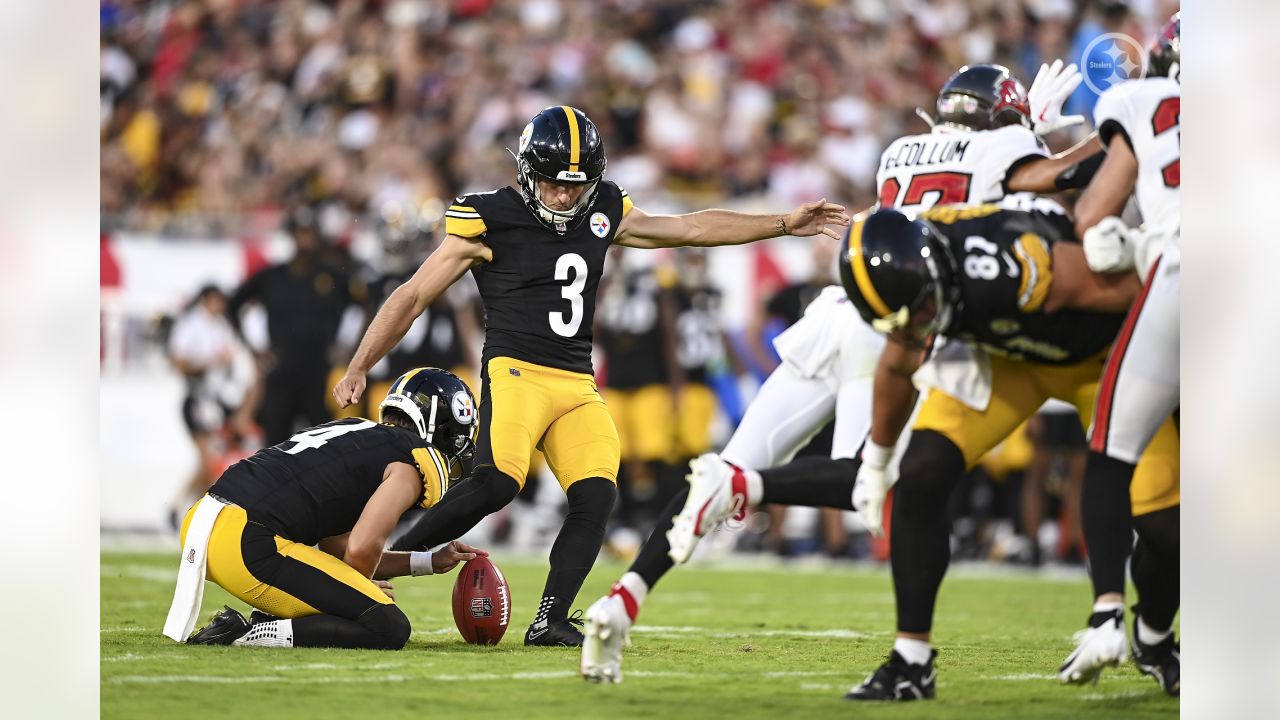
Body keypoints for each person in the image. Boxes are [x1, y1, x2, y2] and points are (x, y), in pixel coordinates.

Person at [579, 58, 1109, 682]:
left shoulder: (900, 153)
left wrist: (1023, 133)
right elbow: (1049, 182)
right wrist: (1075, 129)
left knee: (719, 470)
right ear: (1006, 117)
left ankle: (624, 597)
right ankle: (759, 502)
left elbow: (974, 183)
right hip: (894, 320)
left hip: (836, 310)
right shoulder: (1008, 145)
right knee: (872, 477)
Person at [331, 106, 850, 647]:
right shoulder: (489, 217)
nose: (562, 195)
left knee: (597, 495)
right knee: (497, 481)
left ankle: (549, 619)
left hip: (576, 381)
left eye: (574, 185)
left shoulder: (604, 206)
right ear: (528, 171)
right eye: (553, 181)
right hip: (516, 370)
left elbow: (691, 228)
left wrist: (785, 223)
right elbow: (413, 294)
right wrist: (360, 364)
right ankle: (377, 565)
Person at [623, 203, 1180, 700]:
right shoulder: (911, 296)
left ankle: (1146, 633)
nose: (909, 327)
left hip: (1097, 357)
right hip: (1011, 361)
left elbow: (1139, 298)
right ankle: (913, 659)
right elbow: (897, 360)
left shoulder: (1015, 265)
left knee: (1161, 521)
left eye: (913, 312)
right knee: (920, 473)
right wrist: (878, 461)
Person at [163, 368, 483, 650]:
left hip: (206, 522)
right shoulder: (411, 460)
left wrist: (429, 561)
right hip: (246, 539)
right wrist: (357, 595)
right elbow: (362, 547)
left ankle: (262, 622)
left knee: (360, 603)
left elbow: (338, 548)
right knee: (388, 626)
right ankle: (244, 634)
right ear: (442, 430)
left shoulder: (358, 433)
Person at [1058, 13, 1181, 695]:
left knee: (1111, 450)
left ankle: (1108, 609)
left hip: (1183, 268)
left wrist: (1123, 240)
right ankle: (1162, 636)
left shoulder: (1141, 98)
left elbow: (1091, 215)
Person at [228, 206, 368, 445]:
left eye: (311, 232)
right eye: (301, 232)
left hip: (321, 373)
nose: (306, 238)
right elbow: (233, 305)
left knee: (323, 446)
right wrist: (253, 350)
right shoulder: (271, 277)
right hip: (281, 372)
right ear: (291, 235)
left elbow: (368, 304)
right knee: (274, 447)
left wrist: (351, 348)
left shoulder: (333, 277)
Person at [167, 284, 258, 521]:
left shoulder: (223, 326)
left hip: (218, 400)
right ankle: (199, 514)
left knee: (209, 460)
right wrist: (210, 362)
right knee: (210, 460)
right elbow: (178, 362)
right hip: (198, 399)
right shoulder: (190, 325)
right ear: (206, 300)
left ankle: (180, 507)